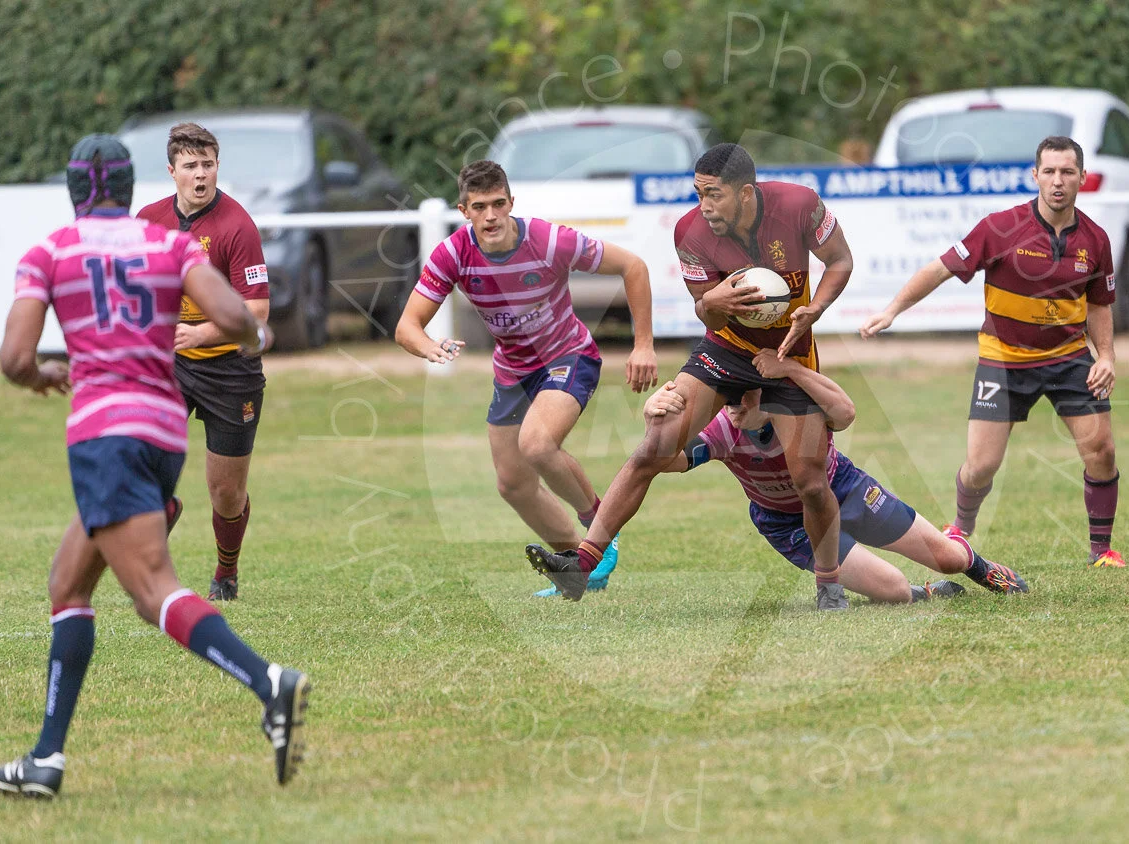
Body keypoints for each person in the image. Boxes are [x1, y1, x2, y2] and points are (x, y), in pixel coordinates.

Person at [0, 136, 309, 800]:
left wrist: (45, 375)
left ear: (74, 190)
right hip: (164, 429)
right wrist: (253, 336)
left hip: (106, 434)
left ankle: (269, 682)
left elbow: (14, 359)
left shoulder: (50, 252)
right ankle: (46, 758)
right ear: (135, 185)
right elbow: (235, 317)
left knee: (152, 592)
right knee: (67, 585)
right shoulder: (168, 244)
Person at [524, 142, 861, 610]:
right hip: (727, 348)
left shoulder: (800, 204)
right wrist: (711, 303)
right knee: (655, 447)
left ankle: (829, 585)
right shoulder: (689, 231)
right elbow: (709, 314)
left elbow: (840, 260)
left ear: (746, 193)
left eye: (713, 194)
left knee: (809, 482)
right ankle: (582, 564)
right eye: (699, 193)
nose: (704, 205)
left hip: (789, 352)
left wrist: (815, 308)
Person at [860, 136, 1126, 569]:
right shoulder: (1000, 228)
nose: (1058, 181)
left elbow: (1099, 304)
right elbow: (940, 269)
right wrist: (892, 310)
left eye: (1067, 172)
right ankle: (960, 528)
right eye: (1049, 171)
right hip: (1004, 360)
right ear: (1035, 175)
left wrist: (1107, 356)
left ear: (1081, 177)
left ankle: (1102, 551)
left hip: (1068, 357)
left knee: (1102, 450)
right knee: (981, 466)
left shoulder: (1095, 239)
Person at [394, 160, 659, 591]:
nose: (491, 216)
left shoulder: (549, 240)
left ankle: (600, 534)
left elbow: (633, 266)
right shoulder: (453, 253)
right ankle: (580, 571)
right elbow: (407, 326)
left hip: (568, 356)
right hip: (512, 371)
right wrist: (429, 347)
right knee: (513, 484)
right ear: (464, 211)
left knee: (536, 444)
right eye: (480, 207)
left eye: (499, 204)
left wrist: (643, 344)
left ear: (512, 202)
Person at [641, 351, 1029, 602]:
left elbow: (845, 413)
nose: (732, 406)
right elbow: (668, 462)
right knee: (894, 591)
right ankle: (926, 593)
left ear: (765, 391)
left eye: (742, 396)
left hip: (845, 490)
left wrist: (791, 369)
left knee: (947, 558)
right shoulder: (723, 429)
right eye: (725, 398)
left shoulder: (797, 405)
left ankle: (979, 565)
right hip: (787, 523)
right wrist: (654, 423)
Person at [136, 123, 270, 601]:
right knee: (141, 458)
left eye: (207, 165)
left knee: (226, 493)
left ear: (217, 167)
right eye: (190, 166)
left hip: (229, 370)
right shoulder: (148, 220)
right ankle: (160, 515)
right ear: (171, 171)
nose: (200, 175)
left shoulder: (237, 226)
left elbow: (257, 313)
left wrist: (201, 333)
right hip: (170, 366)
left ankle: (225, 573)